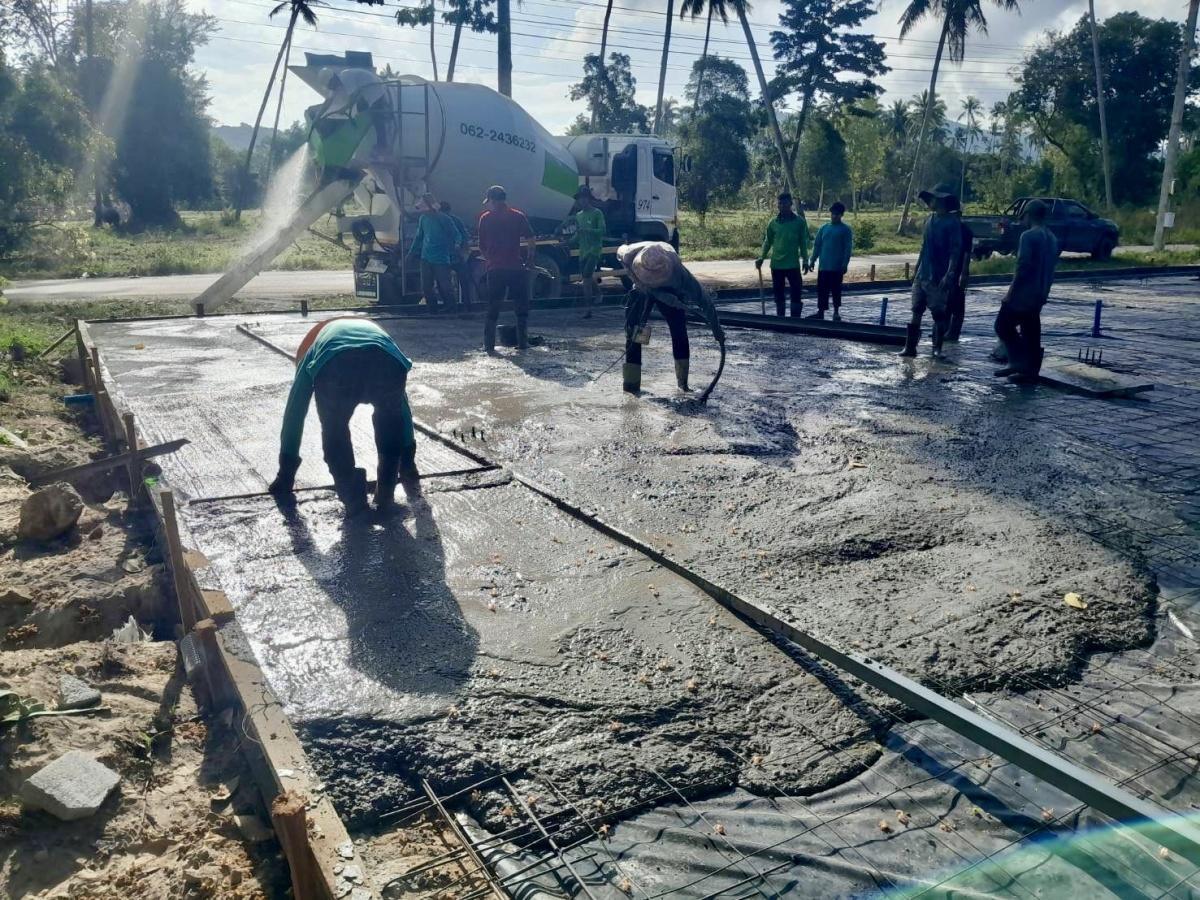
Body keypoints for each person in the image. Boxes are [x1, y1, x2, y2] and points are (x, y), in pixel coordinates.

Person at [269, 317, 418, 516]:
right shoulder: (370, 333)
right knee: (390, 422)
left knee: (335, 430)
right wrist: (408, 464)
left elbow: (295, 413)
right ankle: (386, 493)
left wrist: (285, 474)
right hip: (388, 362)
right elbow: (403, 412)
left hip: (337, 367)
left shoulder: (313, 351)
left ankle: (355, 501)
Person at [617, 241, 724, 396]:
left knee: (679, 331)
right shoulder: (628, 254)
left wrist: (717, 330)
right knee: (634, 333)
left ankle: (683, 384)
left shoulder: (680, 274)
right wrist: (639, 281)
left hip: (671, 292)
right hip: (640, 288)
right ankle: (631, 385)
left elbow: (705, 302)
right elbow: (620, 256)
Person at [994, 200, 1057, 381]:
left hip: (1023, 293)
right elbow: (1051, 270)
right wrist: (1045, 293)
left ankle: (1017, 361)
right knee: (1031, 329)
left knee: (1002, 325)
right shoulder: (1052, 238)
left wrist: (1010, 293)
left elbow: (1023, 267)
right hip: (1040, 292)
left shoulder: (1028, 236)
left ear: (1028, 215)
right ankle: (1030, 370)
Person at [899, 184, 963, 358]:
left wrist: (949, 274)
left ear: (941, 200)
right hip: (923, 273)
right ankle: (910, 346)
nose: (930, 202)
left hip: (938, 275)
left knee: (938, 313)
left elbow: (955, 251)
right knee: (916, 309)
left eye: (932, 199)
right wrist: (916, 268)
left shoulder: (952, 223)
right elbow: (923, 247)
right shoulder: (928, 220)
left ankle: (937, 348)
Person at [477, 185, 535, 351]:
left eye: (489, 201)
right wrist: (530, 260)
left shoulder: (485, 218)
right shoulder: (518, 216)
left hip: (495, 270)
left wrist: (490, 259)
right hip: (516, 268)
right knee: (521, 308)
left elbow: (481, 245)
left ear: (493, 200)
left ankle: (489, 346)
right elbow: (531, 239)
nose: (489, 204)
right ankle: (523, 343)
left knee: (493, 307)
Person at [756, 193, 810, 318]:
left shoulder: (799, 222)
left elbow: (803, 243)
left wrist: (806, 260)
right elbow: (767, 242)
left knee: (796, 292)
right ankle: (781, 319)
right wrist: (761, 257)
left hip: (793, 264)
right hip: (777, 264)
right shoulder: (773, 223)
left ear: (790, 204)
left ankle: (795, 320)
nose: (782, 206)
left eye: (785, 203)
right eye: (780, 204)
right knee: (778, 294)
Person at [408, 194, 461, 310]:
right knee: (426, 286)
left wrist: (457, 244)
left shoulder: (444, 218)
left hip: (441, 257)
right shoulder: (423, 218)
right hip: (426, 257)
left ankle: (451, 307)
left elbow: (456, 234)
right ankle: (432, 309)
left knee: (445, 285)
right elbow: (419, 237)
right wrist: (411, 252)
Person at [806, 202, 853, 321]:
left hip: (837, 267)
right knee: (822, 290)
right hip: (824, 266)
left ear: (841, 215)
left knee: (836, 290)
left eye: (837, 214)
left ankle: (836, 312)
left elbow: (848, 248)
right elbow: (817, 246)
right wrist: (812, 261)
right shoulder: (824, 228)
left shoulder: (845, 230)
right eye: (833, 214)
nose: (834, 216)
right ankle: (820, 312)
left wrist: (844, 264)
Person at [565, 187, 606, 318]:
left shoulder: (597, 213)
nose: (582, 201)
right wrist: (568, 242)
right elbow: (578, 235)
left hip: (594, 250)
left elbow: (602, 231)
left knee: (586, 278)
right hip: (583, 251)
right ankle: (599, 293)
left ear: (589, 199)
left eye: (584, 198)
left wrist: (587, 230)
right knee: (587, 276)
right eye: (580, 198)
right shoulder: (579, 215)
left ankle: (588, 309)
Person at [945, 205, 974, 341]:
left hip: (958, 270)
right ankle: (943, 329)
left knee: (957, 301)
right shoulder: (947, 229)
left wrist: (964, 272)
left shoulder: (965, 231)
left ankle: (954, 332)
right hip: (946, 269)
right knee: (945, 301)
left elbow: (967, 254)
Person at [440, 201, 472, 308]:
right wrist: (464, 252)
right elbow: (465, 236)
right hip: (458, 256)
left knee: (444, 283)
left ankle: (449, 305)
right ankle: (467, 305)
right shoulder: (456, 220)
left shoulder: (439, 220)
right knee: (464, 282)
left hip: (444, 257)